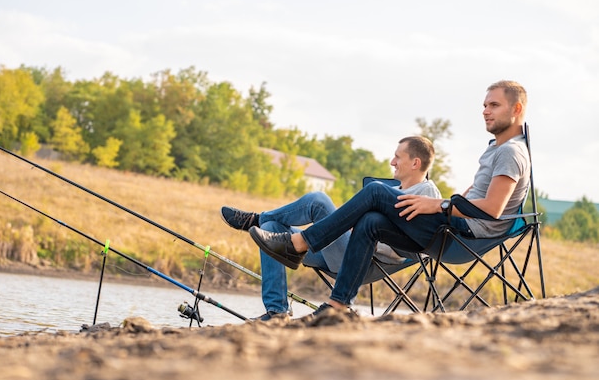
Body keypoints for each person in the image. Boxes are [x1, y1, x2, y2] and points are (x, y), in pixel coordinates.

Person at [249, 80, 531, 317]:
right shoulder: (498, 148)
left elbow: (493, 210)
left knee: (373, 192)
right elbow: (483, 197)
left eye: (493, 105)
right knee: (371, 220)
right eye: (484, 105)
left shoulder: (510, 152)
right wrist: (456, 199)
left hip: (461, 235)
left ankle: (298, 243)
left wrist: (440, 204)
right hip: (455, 229)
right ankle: (337, 306)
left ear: (516, 109)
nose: (485, 111)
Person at [221, 136, 441, 321]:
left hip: (362, 261)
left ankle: (255, 219)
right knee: (271, 229)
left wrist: (363, 230)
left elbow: (408, 240)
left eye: (398, 157)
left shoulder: (426, 195)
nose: (392, 161)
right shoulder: (392, 190)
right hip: (339, 248)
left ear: (415, 163)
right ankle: (276, 311)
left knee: (318, 200)